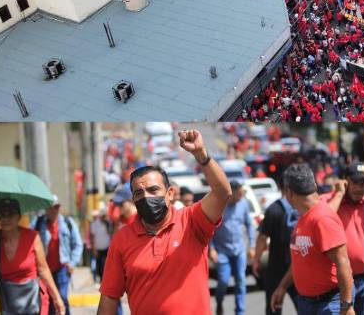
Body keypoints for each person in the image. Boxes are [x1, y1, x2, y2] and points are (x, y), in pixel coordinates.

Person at [96, 129, 232, 315]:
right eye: (139, 193)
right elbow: (109, 297)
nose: (146, 197)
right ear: (134, 200)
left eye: (153, 190)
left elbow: (222, 193)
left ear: (169, 194)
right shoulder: (122, 240)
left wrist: (201, 155)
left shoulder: (191, 221)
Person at [270, 163, 355, 315]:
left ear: (288, 193)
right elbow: (301, 259)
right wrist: (282, 287)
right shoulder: (305, 217)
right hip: (307, 303)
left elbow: (343, 263)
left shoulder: (322, 219)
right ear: (315, 186)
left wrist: (346, 306)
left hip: (329, 304)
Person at [0, 198, 65, 315]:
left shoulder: (32, 237)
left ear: (19, 217)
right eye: (1, 214)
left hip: (35, 300)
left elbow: (43, 269)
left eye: (10, 214)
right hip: (9, 302)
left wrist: (57, 298)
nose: (6, 218)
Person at [321, 163, 364, 315]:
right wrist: (339, 194)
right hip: (342, 282)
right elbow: (323, 221)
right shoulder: (331, 201)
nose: (360, 188)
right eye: (356, 183)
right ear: (345, 181)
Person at [253, 177, 300, 315]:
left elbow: (262, 237)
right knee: (303, 306)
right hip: (298, 265)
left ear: (280, 188)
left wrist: (256, 259)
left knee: (274, 306)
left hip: (276, 266)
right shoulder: (301, 207)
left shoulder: (273, 209)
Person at [210, 181, 256, 315]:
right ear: (232, 193)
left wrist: (252, 245)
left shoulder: (243, 204)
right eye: (239, 194)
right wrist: (211, 249)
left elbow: (249, 225)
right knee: (223, 280)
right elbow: (210, 229)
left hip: (239, 250)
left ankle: (240, 311)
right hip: (222, 251)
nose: (241, 196)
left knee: (240, 280)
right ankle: (219, 302)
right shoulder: (220, 206)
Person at [33, 196, 83, 315]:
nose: (53, 210)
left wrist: (72, 263)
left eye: (56, 207)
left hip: (62, 269)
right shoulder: (38, 223)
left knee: (62, 298)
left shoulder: (67, 223)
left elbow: (78, 244)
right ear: (46, 209)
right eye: (50, 207)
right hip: (45, 270)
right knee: (48, 300)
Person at [89, 211, 111, 283]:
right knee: (99, 266)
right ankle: (102, 280)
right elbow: (92, 237)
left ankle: (106, 280)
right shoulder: (94, 224)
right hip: (98, 248)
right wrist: (94, 248)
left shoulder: (108, 223)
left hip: (107, 247)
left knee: (106, 265)